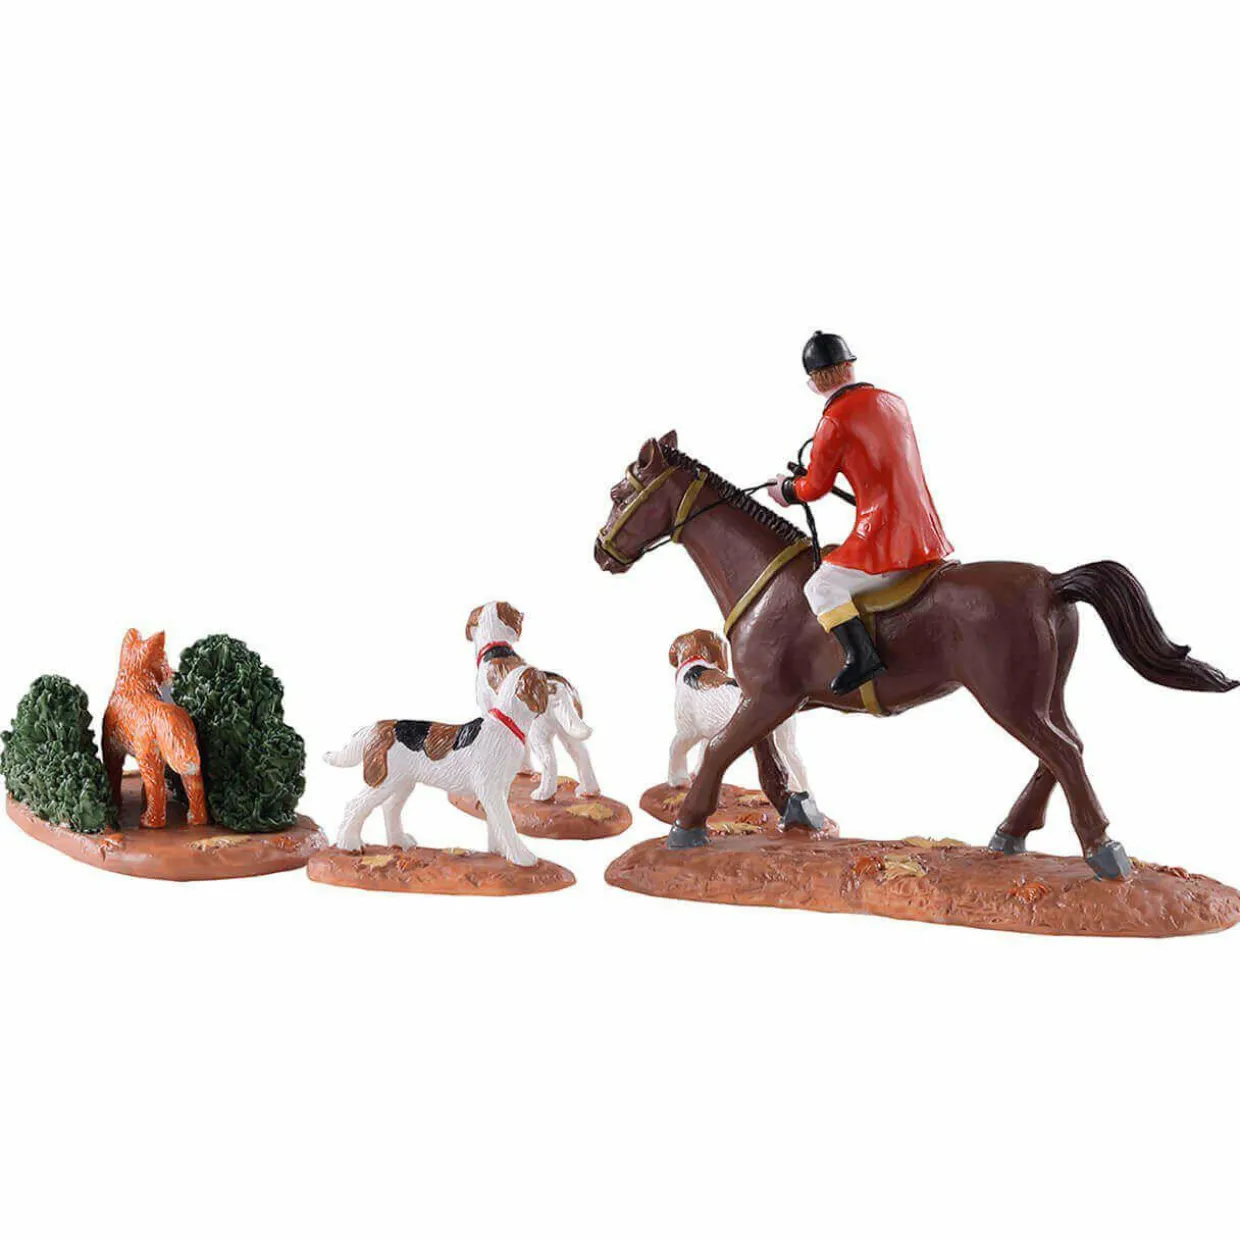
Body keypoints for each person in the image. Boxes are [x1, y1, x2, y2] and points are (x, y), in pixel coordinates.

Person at [768, 332, 952, 696]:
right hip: (925, 533)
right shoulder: (894, 402)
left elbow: (814, 488)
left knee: (820, 586)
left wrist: (786, 490)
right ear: (850, 366)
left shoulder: (832, 421)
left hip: (884, 538)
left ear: (813, 383)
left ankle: (861, 657)